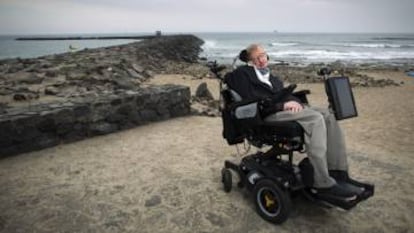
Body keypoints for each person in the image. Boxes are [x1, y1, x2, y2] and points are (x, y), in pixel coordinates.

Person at [225, 44, 357, 199]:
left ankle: (337, 171)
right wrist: (282, 105)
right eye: (257, 58)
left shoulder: (271, 77)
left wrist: (297, 103)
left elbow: (283, 94)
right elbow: (251, 98)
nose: (262, 60)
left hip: (281, 109)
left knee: (329, 115)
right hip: (265, 114)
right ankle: (321, 181)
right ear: (250, 61)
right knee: (315, 119)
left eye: (264, 56)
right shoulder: (242, 74)